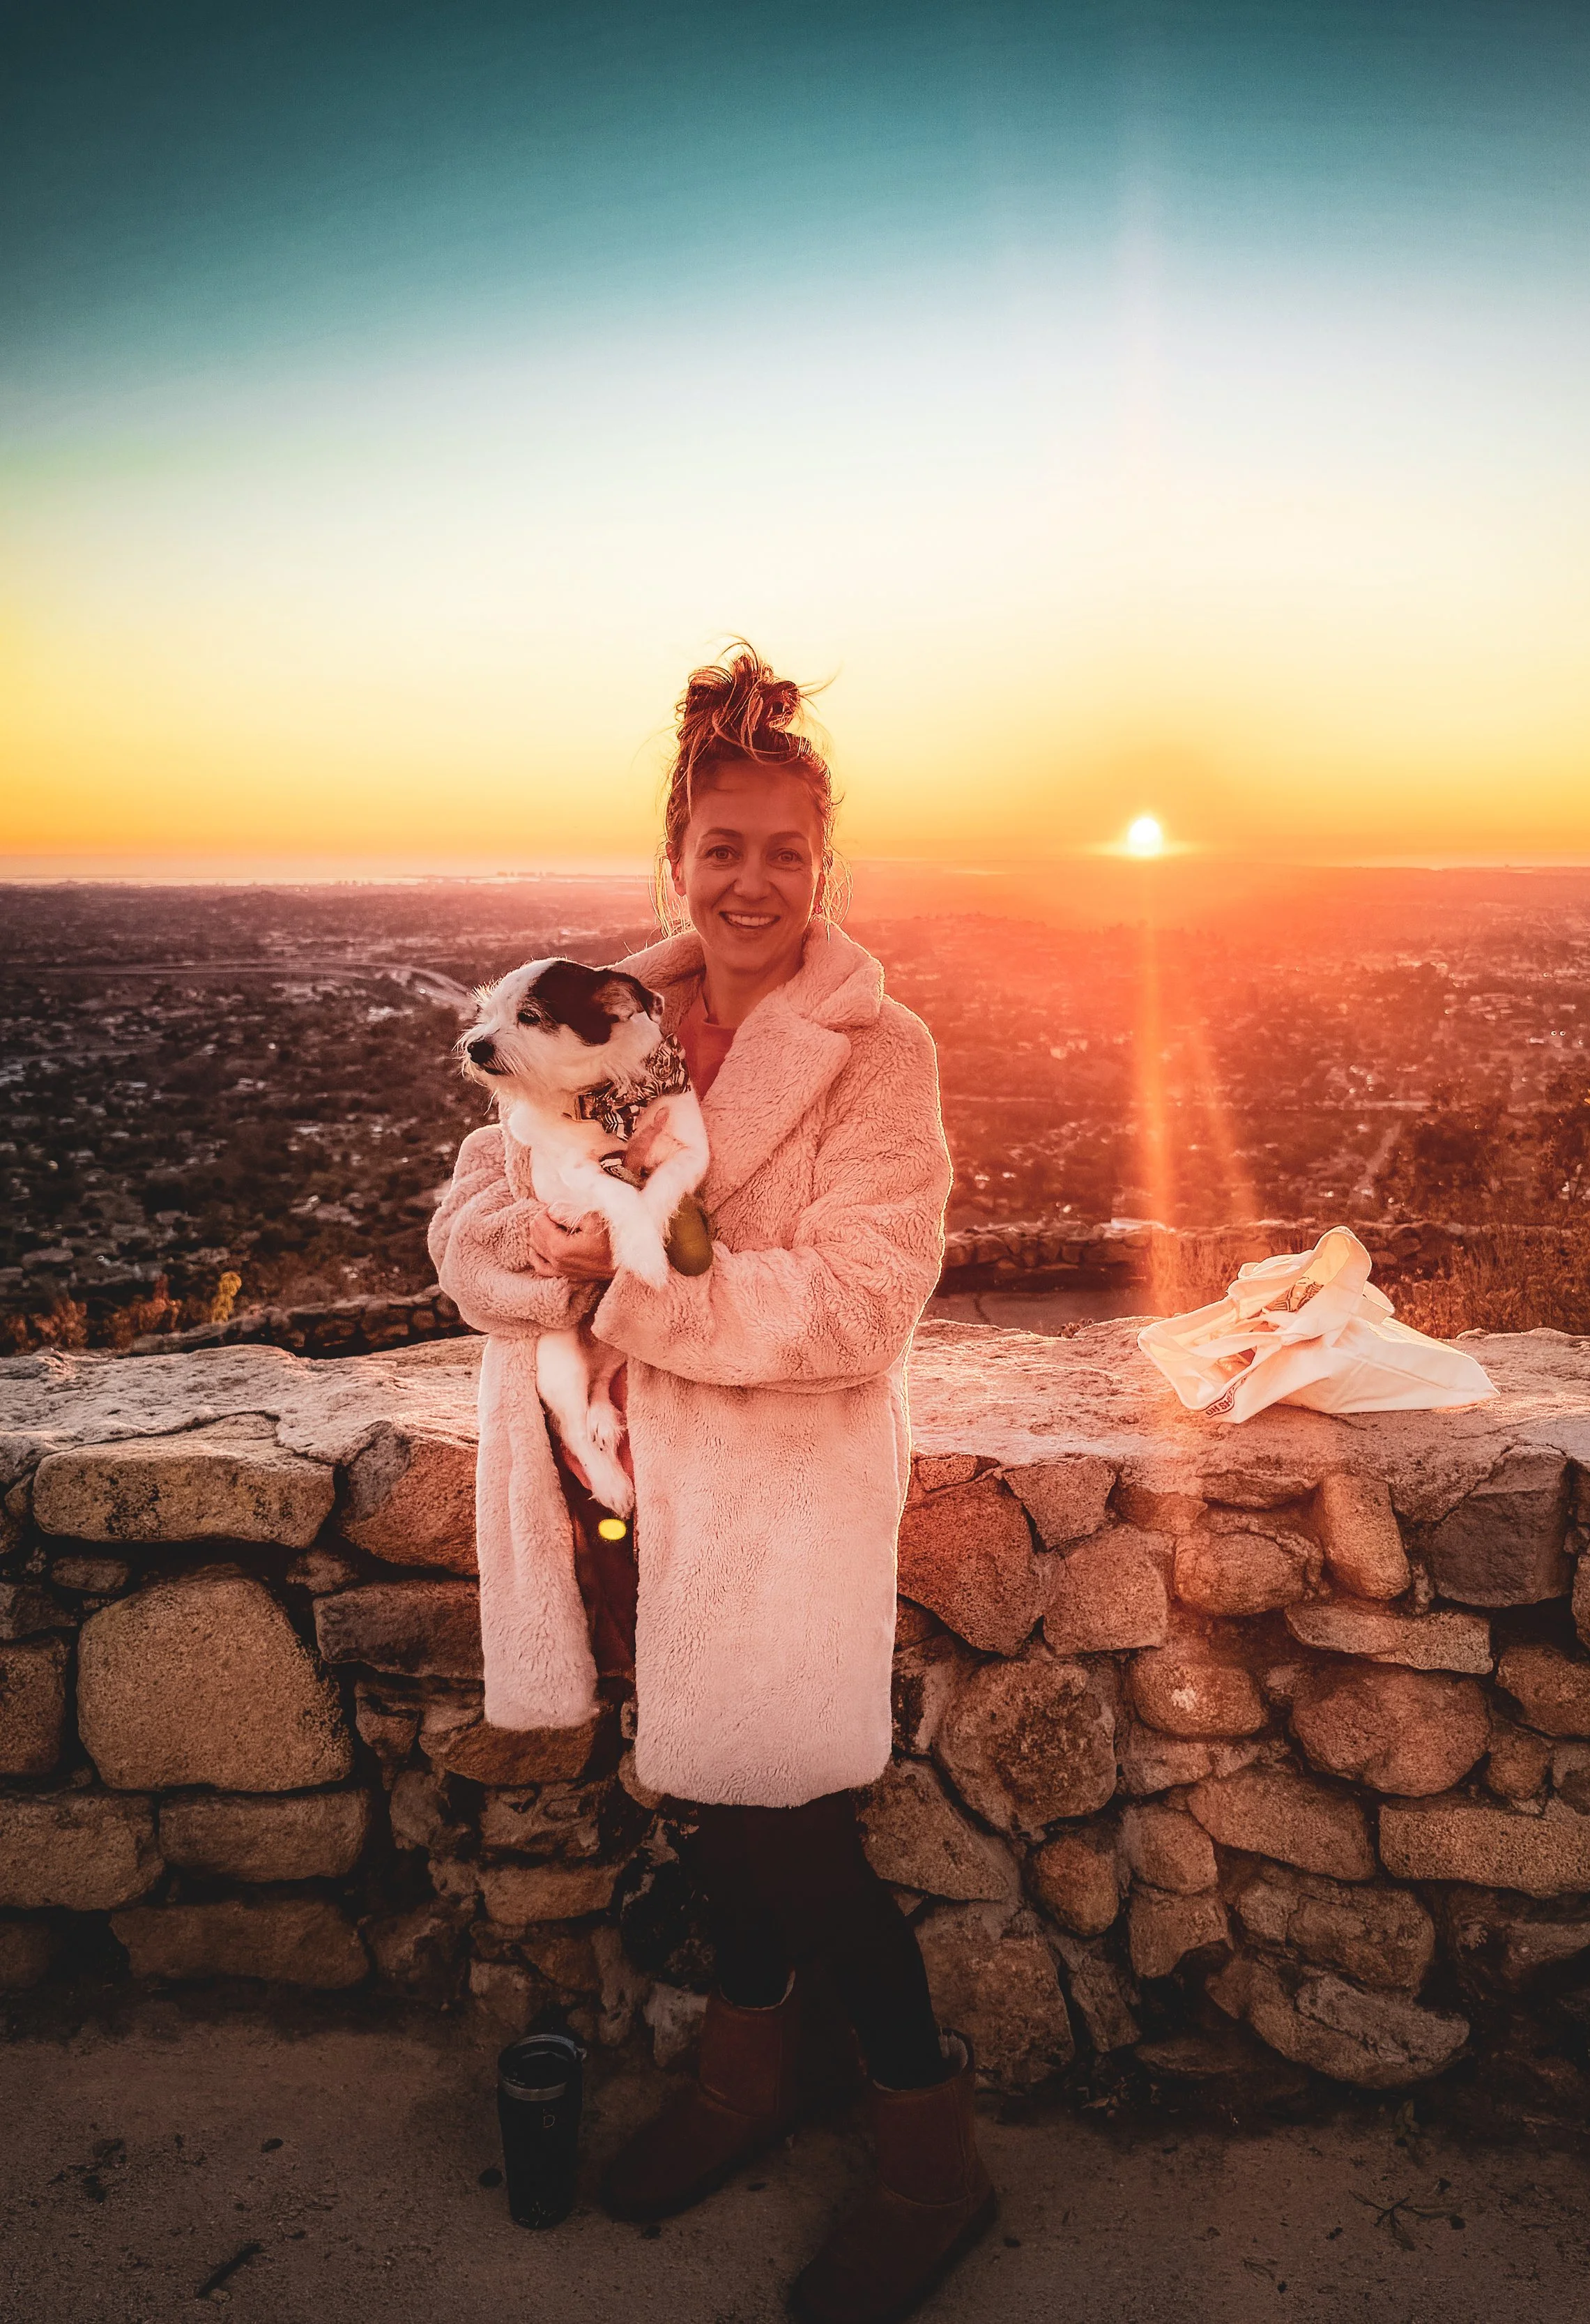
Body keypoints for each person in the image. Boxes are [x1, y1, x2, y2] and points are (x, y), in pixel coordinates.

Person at [429, 644, 991, 2324]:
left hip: (771, 1494)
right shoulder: (592, 1011)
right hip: (604, 1480)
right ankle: (755, 2080)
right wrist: (540, 1263)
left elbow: (857, 1301)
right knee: (693, 1790)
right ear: (676, 856)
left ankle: (925, 2152)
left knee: (798, 1828)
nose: (751, 882)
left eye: (784, 853)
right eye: (721, 848)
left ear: (824, 867)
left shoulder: (876, 1054)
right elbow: (464, 1222)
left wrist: (628, 1294)